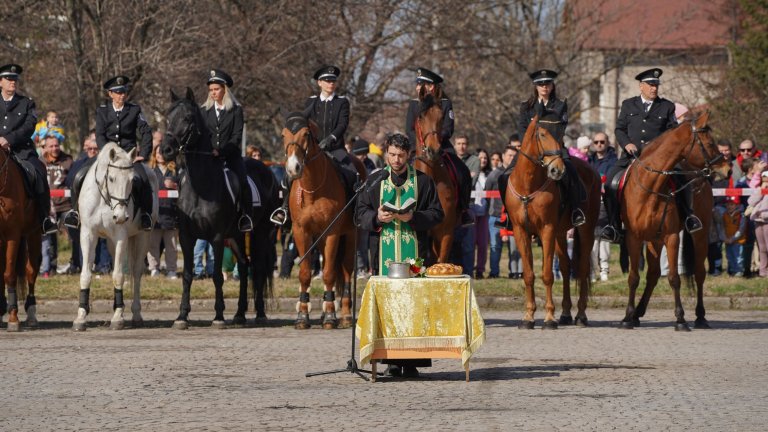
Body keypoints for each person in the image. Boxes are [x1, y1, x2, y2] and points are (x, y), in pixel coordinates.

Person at [355, 133, 444, 378]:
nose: (396, 160)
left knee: (413, 306)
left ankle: (412, 360)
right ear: (386, 153)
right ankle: (390, 360)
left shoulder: (424, 182)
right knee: (388, 307)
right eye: (392, 155)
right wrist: (376, 218)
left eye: (401, 155)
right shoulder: (374, 180)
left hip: (415, 254)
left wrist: (413, 217)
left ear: (408, 156)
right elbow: (359, 212)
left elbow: (437, 214)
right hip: (382, 253)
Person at [601, 67, 701, 242]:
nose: (654, 88)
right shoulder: (628, 104)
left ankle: (688, 217)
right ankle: (613, 225)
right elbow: (619, 129)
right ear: (641, 86)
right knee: (611, 182)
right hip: (631, 157)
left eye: (656, 84)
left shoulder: (667, 106)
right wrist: (627, 144)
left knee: (681, 180)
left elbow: (672, 133)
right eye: (650, 84)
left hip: (660, 161)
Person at [62, 75, 154, 231]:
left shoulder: (134, 110)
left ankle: (145, 215)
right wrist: (107, 152)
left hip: (127, 158)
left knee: (143, 179)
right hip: (107, 155)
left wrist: (143, 154)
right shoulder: (102, 111)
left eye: (123, 91)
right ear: (110, 94)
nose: (121, 95)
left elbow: (146, 132)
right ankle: (75, 212)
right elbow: (99, 135)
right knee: (79, 176)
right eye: (117, 92)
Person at [271, 65, 355, 227]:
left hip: (335, 148)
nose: (331, 83)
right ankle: (284, 210)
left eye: (333, 81)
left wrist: (330, 138)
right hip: (314, 150)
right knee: (288, 177)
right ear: (319, 83)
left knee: (352, 174)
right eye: (327, 81)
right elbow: (305, 125)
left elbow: (343, 124)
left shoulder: (342, 102)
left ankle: (354, 212)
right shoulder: (311, 102)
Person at [405, 67, 474, 227]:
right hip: (418, 148)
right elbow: (409, 129)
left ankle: (463, 211)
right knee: (399, 170)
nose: (418, 87)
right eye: (418, 84)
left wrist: (436, 141)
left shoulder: (445, 103)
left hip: (441, 146)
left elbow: (448, 128)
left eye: (422, 84)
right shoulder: (414, 104)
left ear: (432, 86)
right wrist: (421, 144)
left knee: (462, 171)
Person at [518, 69, 585, 227]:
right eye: (540, 84)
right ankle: (507, 215)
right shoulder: (526, 106)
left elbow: (561, 130)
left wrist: (551, 147)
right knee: (505, 176)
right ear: (535, 87)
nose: (544, 87)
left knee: (572, 175)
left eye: (547, 83)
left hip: (554, 150)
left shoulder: (560, 105)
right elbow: (522, 129)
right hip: (530, 152)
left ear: (552, 85)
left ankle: (576, 211)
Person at [0, 63, 58, 234]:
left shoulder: (27, 103)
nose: (13, 82)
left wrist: (8, 139)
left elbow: (29, 127)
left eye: (15, 79)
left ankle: (44, 219)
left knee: (39, 172)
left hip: (21, 152)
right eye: (9, 79)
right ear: (0, 82)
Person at [200, 69, 252, 232]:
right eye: (211, 90)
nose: (213, 92)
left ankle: (245, 215)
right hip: (208, 158)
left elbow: (236, 137)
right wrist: (209, 151)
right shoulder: (204, 111)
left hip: (230, 156)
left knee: (242, 179)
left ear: (225, 89)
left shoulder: (236, 110)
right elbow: (201, 134)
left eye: (216, 89)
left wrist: (221, 152)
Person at [40, 131, 75, 276]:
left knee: (74, 234)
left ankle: (76, 264)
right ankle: (52, 266)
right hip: (48, 206)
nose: (55, 148)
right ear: (45, 148)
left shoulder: (68, 160)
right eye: (51, 146)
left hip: (65, 204)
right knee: (50, 237)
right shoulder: (40, 161)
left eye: (57, 145)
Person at [588, 132, 617, 281]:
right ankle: (592, 271)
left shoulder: (614, 160)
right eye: (596, 142)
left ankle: (604, 270)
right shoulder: (589, 160)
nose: (599, 144)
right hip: (591, 202)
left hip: (607, 202)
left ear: (607, 143)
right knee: (592, 239)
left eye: (602, 142)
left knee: (604, 237)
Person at [146, 144, 179, 279]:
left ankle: (171, 270)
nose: (159, 155)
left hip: (172, 215)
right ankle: (154, 268)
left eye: (163, 152)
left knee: (171, 246)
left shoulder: (175, 171)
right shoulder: (150, 171)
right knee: (152, 245)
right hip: (155, 215)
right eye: (157, 152)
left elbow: (184, 189)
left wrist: (174, 186)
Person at [486, 145, 517, 278]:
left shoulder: (517, 172)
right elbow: (487, 192)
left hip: (513, 216)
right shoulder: (494, 174)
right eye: (509, 155)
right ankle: (494, 273)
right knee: (495, 246)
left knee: (514, 247)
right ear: (503, 156)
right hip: (495, 216)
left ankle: (514, 272)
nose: (511, 158)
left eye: (514, 156)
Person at [473, 148, 491, 279]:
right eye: (480, 158)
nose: (483, 160)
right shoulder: (471, 173)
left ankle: (480, 270)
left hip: (485, 213)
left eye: (485, 158)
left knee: (483, 244)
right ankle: (469, 268)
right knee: (470, 243)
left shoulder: (489, 174)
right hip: (472, 213)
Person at [747, 171, 768, 277]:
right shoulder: (759, 189)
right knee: (762, 247)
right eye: (763, 177)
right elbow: (750, 201)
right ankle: (763, 271)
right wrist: (761, 190)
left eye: (767, 177)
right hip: (757, 221)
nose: (765, 179)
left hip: (767, 221)